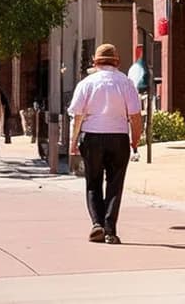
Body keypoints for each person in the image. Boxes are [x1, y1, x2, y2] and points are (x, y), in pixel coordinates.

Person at [68, 43, 142, 245]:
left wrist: (73, 142)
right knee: (115, 184)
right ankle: (110, 230)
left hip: (91, 136)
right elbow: (135, 116)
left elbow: (78, 115)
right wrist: (135, 139)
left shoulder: (87, 83)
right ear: (117, 62)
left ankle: (97, 224)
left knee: (93, 182)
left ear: (95, 62)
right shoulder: (126, 83)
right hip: (118, 136)